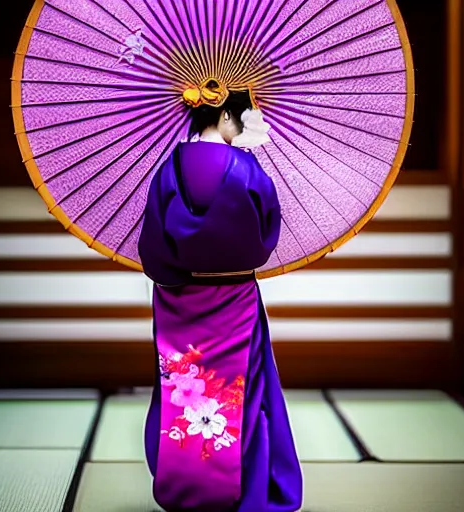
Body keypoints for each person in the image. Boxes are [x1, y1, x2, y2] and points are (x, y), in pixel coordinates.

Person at [138, 84, 303, 512]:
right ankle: (243, 491)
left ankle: (184, 487)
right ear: (227, 115)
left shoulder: (167, 170)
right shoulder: (248, 171)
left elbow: (153, 250)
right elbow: (265, 238)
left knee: (183, 391)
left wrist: (181, 272)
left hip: (180, 302)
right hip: (235, 300)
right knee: (242, 393)